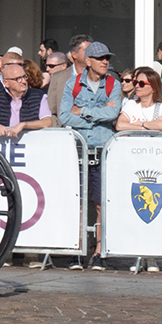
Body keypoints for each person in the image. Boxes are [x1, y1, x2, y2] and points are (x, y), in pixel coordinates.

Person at [59, 40, 120, 270]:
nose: (106, 62)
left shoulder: (112, 83)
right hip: (79, 149)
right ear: (88, 61)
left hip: (103, 150)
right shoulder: (72, 84)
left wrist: (83, 111)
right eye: (101, 58)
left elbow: (113, 112)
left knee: (100, 202)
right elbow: (65, 116)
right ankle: (78, 250)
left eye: (108, 58)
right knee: (78, 201)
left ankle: (99, 251)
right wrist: (99, 114)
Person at [115, 67, 162, 273]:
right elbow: (120, 125)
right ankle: (138, 251)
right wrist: (146, 126)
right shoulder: (131, 104)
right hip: (134, 160)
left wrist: (137, 125)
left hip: (156, 161)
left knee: (157, 208)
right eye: (135, 82)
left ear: (153, 86)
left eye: (141, 83)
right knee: (135, 205)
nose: (136, 86)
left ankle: (153, 255)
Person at [0, 61, 52, 139]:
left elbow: (47, 122)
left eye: (24, 76)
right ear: (6, 83)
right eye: (18, 79)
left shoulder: (38, 96)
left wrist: (24, 125)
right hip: (1, 148)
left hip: (30, 145)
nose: (23, 81)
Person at [48, 35, 91, 128]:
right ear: (74, 54)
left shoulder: (102, 77)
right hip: (65, 133)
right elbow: (51, 110)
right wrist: (58, 129)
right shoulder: (58, 78)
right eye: (87, 50)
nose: (91, 54)